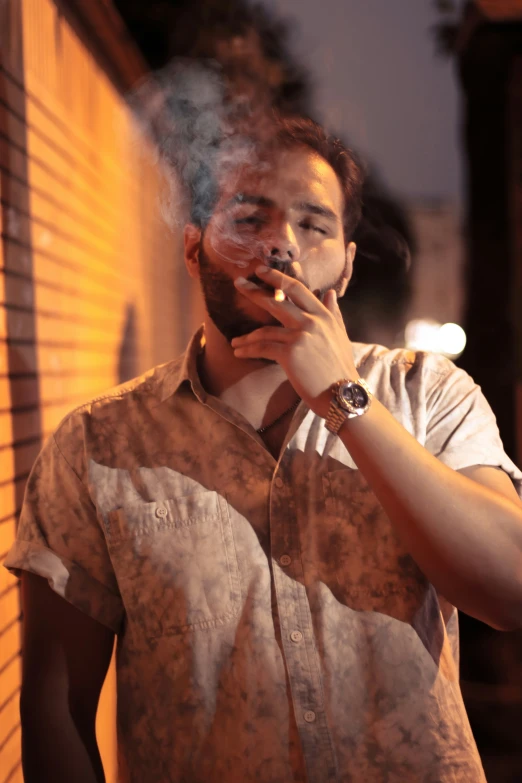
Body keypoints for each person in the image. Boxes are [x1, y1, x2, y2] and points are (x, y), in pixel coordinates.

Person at [7, 115, 522, 783]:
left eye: (314, 225)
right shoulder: (98, 444)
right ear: (194, 245)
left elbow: (508, 589)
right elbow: (59, 710)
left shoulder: (427, 392)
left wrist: (344, 397)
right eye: (250, 218)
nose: (282, 244)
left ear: (347, 261)